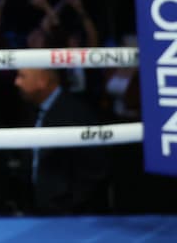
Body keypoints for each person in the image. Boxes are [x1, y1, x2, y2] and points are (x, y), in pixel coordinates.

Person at [12, 67, 110, 215]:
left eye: (22, 76)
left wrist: (69, 204)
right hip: (35, 209)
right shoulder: (32, 109)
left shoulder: (75, 113)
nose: (16, 82)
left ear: (42, 81)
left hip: (68, 214)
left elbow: (94, 168)